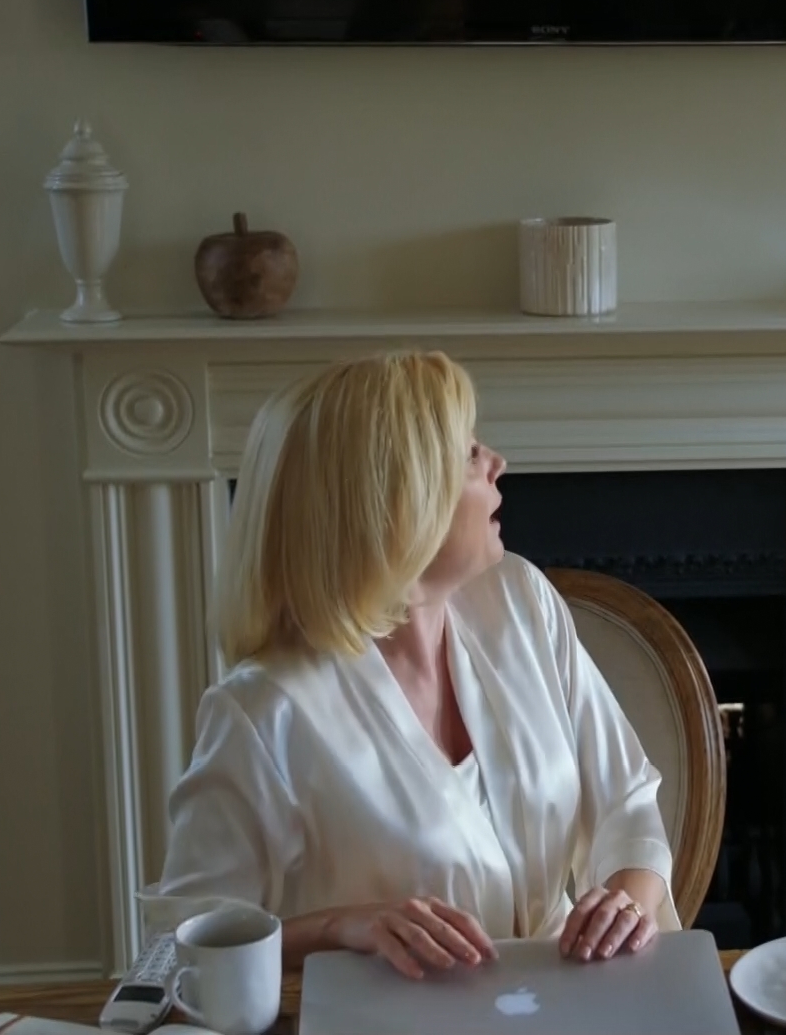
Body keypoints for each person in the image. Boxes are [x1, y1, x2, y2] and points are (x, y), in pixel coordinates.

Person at [141, 350, 678, 978]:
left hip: (567, 996)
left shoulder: (520, 600)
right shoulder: (264, 712)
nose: (498, 463)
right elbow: (177, 947)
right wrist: (342, 927)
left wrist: (625, 904)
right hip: (394, 1017)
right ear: (399, 502)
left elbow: (627, 800)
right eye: (469, 453)